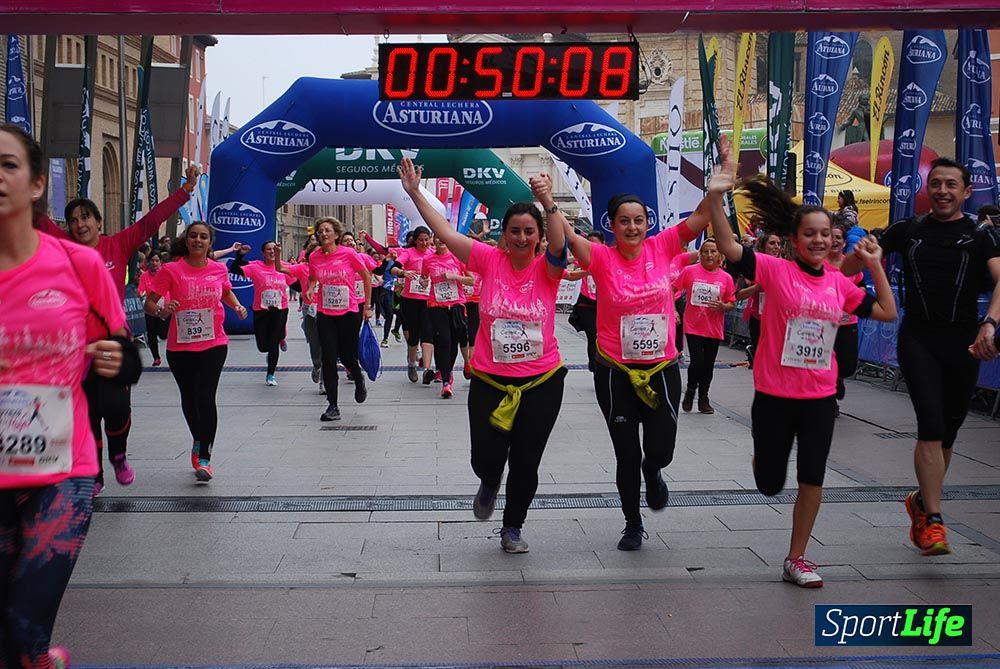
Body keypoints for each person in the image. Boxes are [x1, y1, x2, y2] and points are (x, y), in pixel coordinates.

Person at [708, 163, 897, 587]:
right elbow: (727, 246)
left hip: (819, 396)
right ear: (795, 240)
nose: (818, 240)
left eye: (825, 234)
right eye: (809, 233)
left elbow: (887, 311)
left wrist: (875, 265)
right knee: (771, 484)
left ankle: (797, 557)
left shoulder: (838, 282)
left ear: (833, 239)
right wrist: (717, 197)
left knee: (813, 474)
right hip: (774, 394)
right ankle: (763, 460)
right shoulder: (775, 271)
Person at [1, 123, 133, 669]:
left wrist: (115, 360)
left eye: (7, 165)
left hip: (64, 471)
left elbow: (124, 352)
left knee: (21, 618)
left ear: (35, 185)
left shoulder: (77, 266)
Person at [399, 157, 568, 554]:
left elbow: (561, 243)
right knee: (487, 458)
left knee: (526, 461)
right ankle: (489, 481)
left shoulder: (549, 268)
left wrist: (549, 203)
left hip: (542, 381)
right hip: (491, 379)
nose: (523, 238)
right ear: (504, 235)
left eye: (530, 232)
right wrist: (413, 192)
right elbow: (442, 229)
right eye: (515, 231)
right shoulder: (488, 260)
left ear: (539, 237)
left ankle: (512, 527)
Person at [844, 158, 1000, 556]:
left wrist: (991, 325)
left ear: (967, 192)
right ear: (927, 191)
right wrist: (860, 253)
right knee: (930, 425)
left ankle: (919, 501)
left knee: (947, 433)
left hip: (964, 341)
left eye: (952, 185)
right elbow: (847, 269)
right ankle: (933, 520)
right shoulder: (909, 230)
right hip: (919, 339)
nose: (943, 191)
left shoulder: (981, 236)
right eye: (936, 184)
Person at [562, 187, 714, 552]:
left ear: (648, 224)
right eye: (624, 221)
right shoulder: (600, 257)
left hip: (661, 367)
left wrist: (717, 188)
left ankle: (654, 470)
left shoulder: (662, 247)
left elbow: (699, 218)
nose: (632, 227)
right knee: (626, 453)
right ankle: (632, 522)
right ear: (612, 225)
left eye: (639, 220)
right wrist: (550, 203)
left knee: (660, 450)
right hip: (615, 371)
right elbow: (566, 235)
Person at [33, 164, 198, 495]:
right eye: (74, 219)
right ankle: (94, 474)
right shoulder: (63, 244)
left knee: (117, 406)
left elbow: (151, 221)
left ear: (98, 222)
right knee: (87, 412)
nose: (80, 224)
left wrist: (185, 191)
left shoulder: (119, 245)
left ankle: (118, 455)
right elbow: (36, 218)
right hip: (74, 346)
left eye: (86, 218)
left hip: (113, 341)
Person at [144, 222, 248, 482]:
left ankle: (205, 457)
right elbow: (149, 303)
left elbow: (225, 292)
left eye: (203, 237)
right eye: (193, 236)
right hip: (180, 346)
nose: (198, 241)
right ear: (187, 240)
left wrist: (236, 307)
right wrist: (162, 311)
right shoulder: (171, 270)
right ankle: (198, 438)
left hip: (214, 342)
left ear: (210, 242)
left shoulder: (218, 269)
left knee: (206, 396)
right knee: (189, 398)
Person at [308, 218, 373, 421]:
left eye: (327, 231)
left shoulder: (349, 254)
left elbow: (366, 277)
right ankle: (333, 405)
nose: (324, 234)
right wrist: (310, 288)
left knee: (346, 356)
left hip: (349, 312)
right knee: (328, 357)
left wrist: (368, 306)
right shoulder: (314, 256)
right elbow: (312, 277)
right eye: (320, 231)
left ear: (336, 234)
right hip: (325, 312)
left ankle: (358, 378)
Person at [674, 238, 736, 414]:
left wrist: (724, 307)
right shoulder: (689, 271)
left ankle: (703, 398)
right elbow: (671, 290)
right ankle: (691, 390)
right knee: (697, 361)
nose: (709, 255)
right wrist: (674, 311)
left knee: (708, 365)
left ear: (719, 256)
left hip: (713, 328)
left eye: (713, 251)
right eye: (706, 251)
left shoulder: (726, 278)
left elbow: (731, 301)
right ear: (700, 255)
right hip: (693, 325)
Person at [230, 240, 296, 386]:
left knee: (273, 343)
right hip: (261, 309)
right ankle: (280, 337)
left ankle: (270, 374)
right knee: (263, 346)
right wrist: (239, 256)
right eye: (268, 249)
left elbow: (296, 284)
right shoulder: (255, 266)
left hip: (280, 309)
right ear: (263, 253)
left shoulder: (284, 267)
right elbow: (234, 269)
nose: (272, 251)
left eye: (274, 249)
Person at [422, 234, 472, 398]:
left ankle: (448, 371)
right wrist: (422, 282)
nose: (441, 241)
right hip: (436, 305)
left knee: (454, 342)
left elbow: (471, 280)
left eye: (444, 238)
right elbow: (424, 278)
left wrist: (454, 277)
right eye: (437, 238)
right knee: (443, 340)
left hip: (457, 305)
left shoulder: (457, 257)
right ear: (433, 240)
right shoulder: (428, 260)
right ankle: (445, 382)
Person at [825, 224, 864, 414]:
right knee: (825, 364)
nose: (834, 241)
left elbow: (862, 286)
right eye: (830, 237)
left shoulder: (850, 264)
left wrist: (854, 296)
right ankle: (830, 400)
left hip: (848, 322)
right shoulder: (818, 264)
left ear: (844, 241)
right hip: (824, 324)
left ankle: (839, 379)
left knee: (847, 365)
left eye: (838, 237)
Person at [389, 227, 435, 383]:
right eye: (421, 240)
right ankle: (411, 364)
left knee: (428, 333)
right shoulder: (408, 253)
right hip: (410, 301)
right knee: (414, 335)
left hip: (428, 301)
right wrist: (404, 273)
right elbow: (393, 269)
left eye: (426, 239)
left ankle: (427, 369)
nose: (424, 243)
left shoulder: (432, 254)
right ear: (415, 240)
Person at [737, 232, 783, 368]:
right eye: (772, 243)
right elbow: (738, 295)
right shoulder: (753, 266)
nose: (776, 247)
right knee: (762, 359)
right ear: (763, 246)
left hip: (778, 319)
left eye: (779, 244)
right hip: (758, 318)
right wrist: (757, 287)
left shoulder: (785, 266)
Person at [286, 238, 323, 391]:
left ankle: (324, 381)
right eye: (314, 255)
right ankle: (317, 365)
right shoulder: (302, 268)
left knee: (327, 343)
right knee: (315, 343)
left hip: (327, 309)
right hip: (310, 309)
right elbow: (282, 269)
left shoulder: (330, 266)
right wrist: (277, 255)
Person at [566, 230, 604, 373]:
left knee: (603, 337)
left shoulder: (607, 257)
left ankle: (604, 365)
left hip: (604, 305)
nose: (592, 247)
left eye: (595, 244)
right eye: (589, 244)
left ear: (603, 244)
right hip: (586, 304)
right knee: (593, 336)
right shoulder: (583, 257)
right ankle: (595, 369)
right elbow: (565, 261)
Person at [137, 251, 170, 367]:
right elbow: (141, 289)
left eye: (157, 260)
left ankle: (170, 353)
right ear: (148, 262)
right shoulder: (144, 276)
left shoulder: (165, 273)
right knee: (151, 334)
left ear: (161, 262)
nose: (155, 263)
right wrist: (141, 293)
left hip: (165, 307)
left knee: (163, 333)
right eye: (152, 260)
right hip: (150, 308)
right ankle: (156, 357)